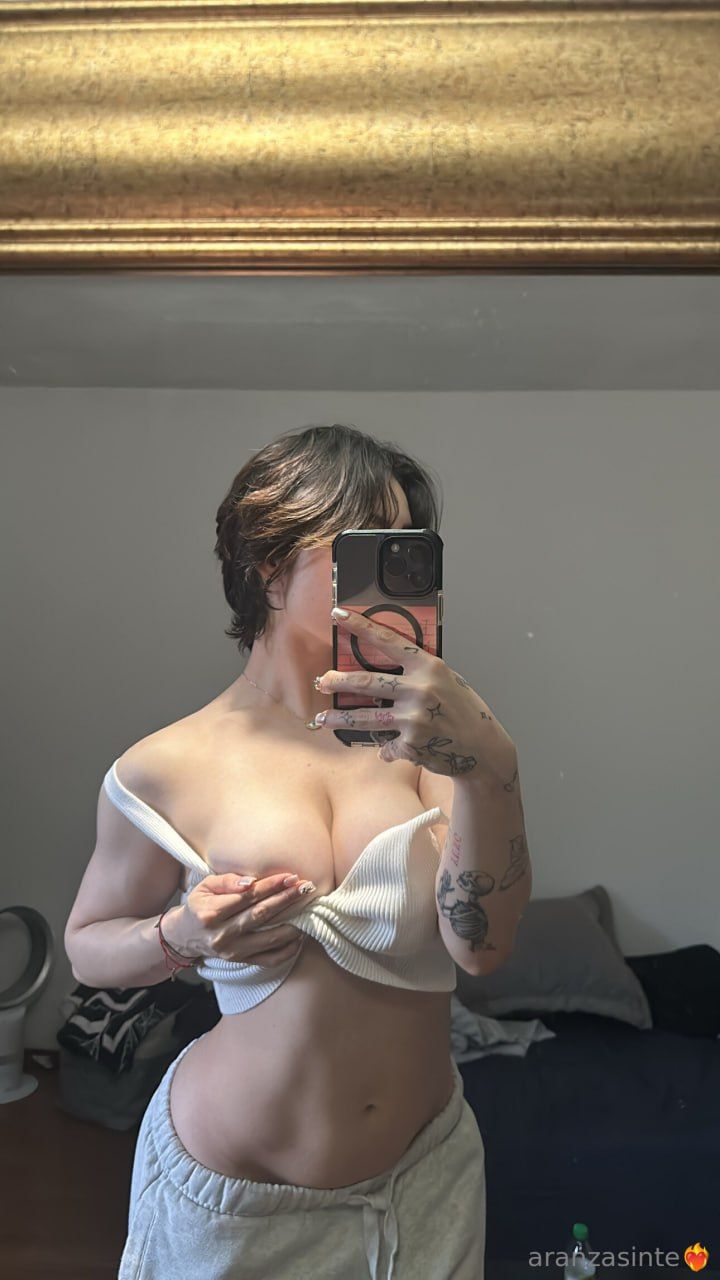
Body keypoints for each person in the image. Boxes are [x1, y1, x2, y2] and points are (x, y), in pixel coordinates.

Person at [66, 423, 508, 1279]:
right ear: (270, 563)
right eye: (366, 547)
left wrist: (495, 768)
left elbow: (482, 948)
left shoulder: (434, 736)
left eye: (408, 549)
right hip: (231, 1204)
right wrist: (178, 937)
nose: (395, 571)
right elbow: (88, 947)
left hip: (425, 1185)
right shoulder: (163, 766)